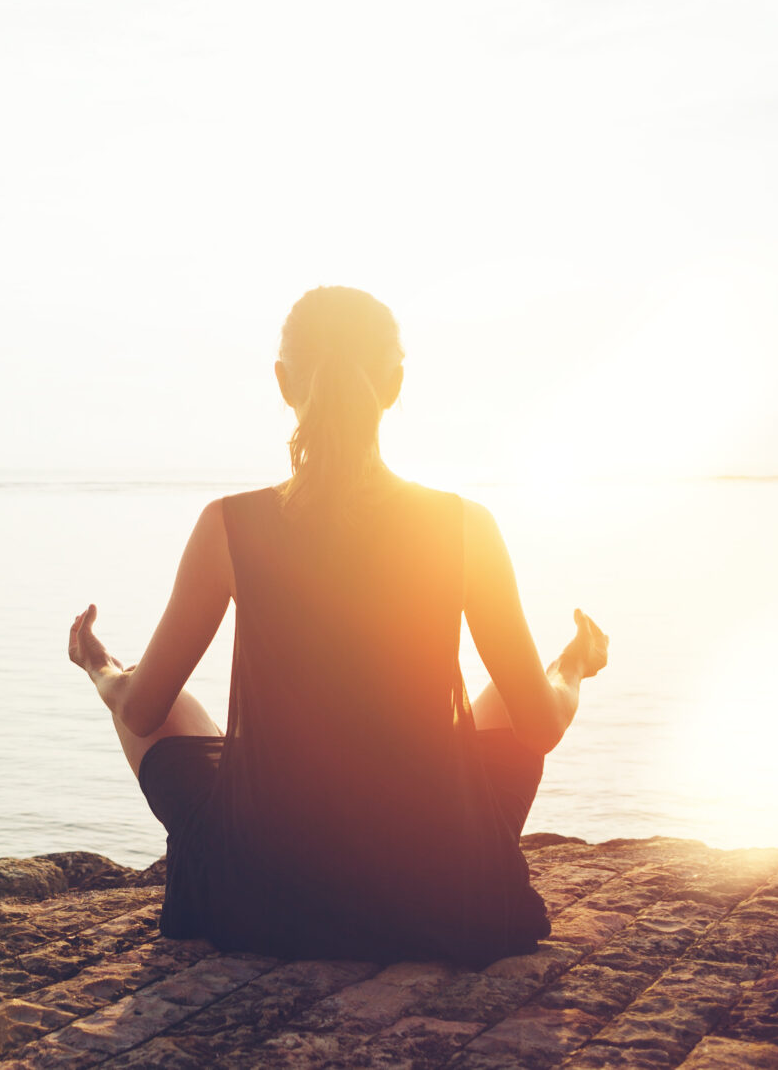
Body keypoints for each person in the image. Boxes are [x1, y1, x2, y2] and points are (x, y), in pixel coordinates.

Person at [66, 285, 608, 966]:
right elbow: (541, 724)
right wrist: (573, 667)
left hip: (264, 891)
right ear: (395, 384)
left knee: (154, 687)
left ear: (284, 383)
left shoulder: (229, 525)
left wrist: (100, 668)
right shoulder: (467, 526)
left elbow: (145, 713)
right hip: (437, 885)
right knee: (510, 697)